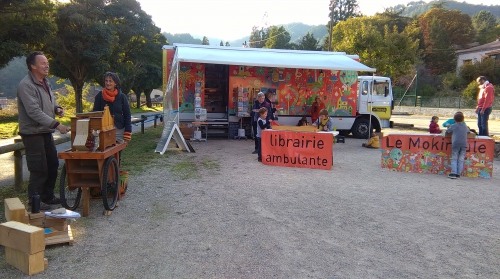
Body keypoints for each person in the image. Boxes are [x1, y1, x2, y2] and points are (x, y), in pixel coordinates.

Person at [17, 51, 70, 209]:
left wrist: (57, 108)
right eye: (43, 63)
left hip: (45, 131)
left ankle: (47, 197)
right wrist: (57, 124)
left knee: (53, 164)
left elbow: (48, 102)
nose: (47, 65)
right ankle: (35, 202)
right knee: (39, 168)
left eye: (47, 62)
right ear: (33, 66)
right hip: (33, 134)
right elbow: (33, 111)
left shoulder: (46, 82)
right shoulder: (25, 85)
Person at [93, 72, 132, 143]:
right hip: (104, 129)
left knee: (117, 151)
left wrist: (128, 131)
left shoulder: (122, 97)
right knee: (106, 152)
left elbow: (127, 114)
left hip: (119, 129)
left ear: (115, 83)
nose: (108, 83)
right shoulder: (99, 96)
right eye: (106, 81)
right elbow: (95, 113)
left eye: (110, 81)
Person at [446, 112, 470, 179]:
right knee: (461, 159)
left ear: (454, 119)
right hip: (464, 144)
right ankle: (458, 173)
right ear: (463, 119)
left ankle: (453, 173)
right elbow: (468, 131)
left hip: (456, 143)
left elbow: (448, 131)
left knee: (454, 158)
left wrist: (448, 126)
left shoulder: (454, 126)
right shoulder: (465, 126)